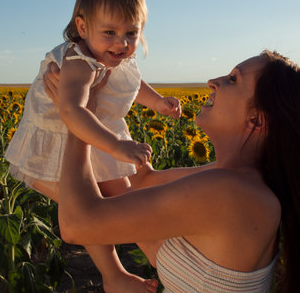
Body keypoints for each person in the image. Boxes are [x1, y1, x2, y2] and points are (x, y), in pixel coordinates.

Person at [44, 50, 300, 292]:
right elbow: (144, 180)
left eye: (232, 79)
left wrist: (75, 119)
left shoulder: (229, 192)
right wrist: (97, 112)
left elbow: (76, 225)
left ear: (256, 121)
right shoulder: (235, 179)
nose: (212, 81)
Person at [5, 0, 180, 293]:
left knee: (126, 199)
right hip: (62, 145)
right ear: (83, 27)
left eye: (131, 32)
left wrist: (157, 103)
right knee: (91, 209)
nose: (122, 43)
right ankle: (115, 275)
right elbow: (71, 109)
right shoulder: (78, 61)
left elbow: (131, 80)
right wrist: (115, 145)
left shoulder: (113, 56)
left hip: (95, 134)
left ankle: (159, 251)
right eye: (110, 31)